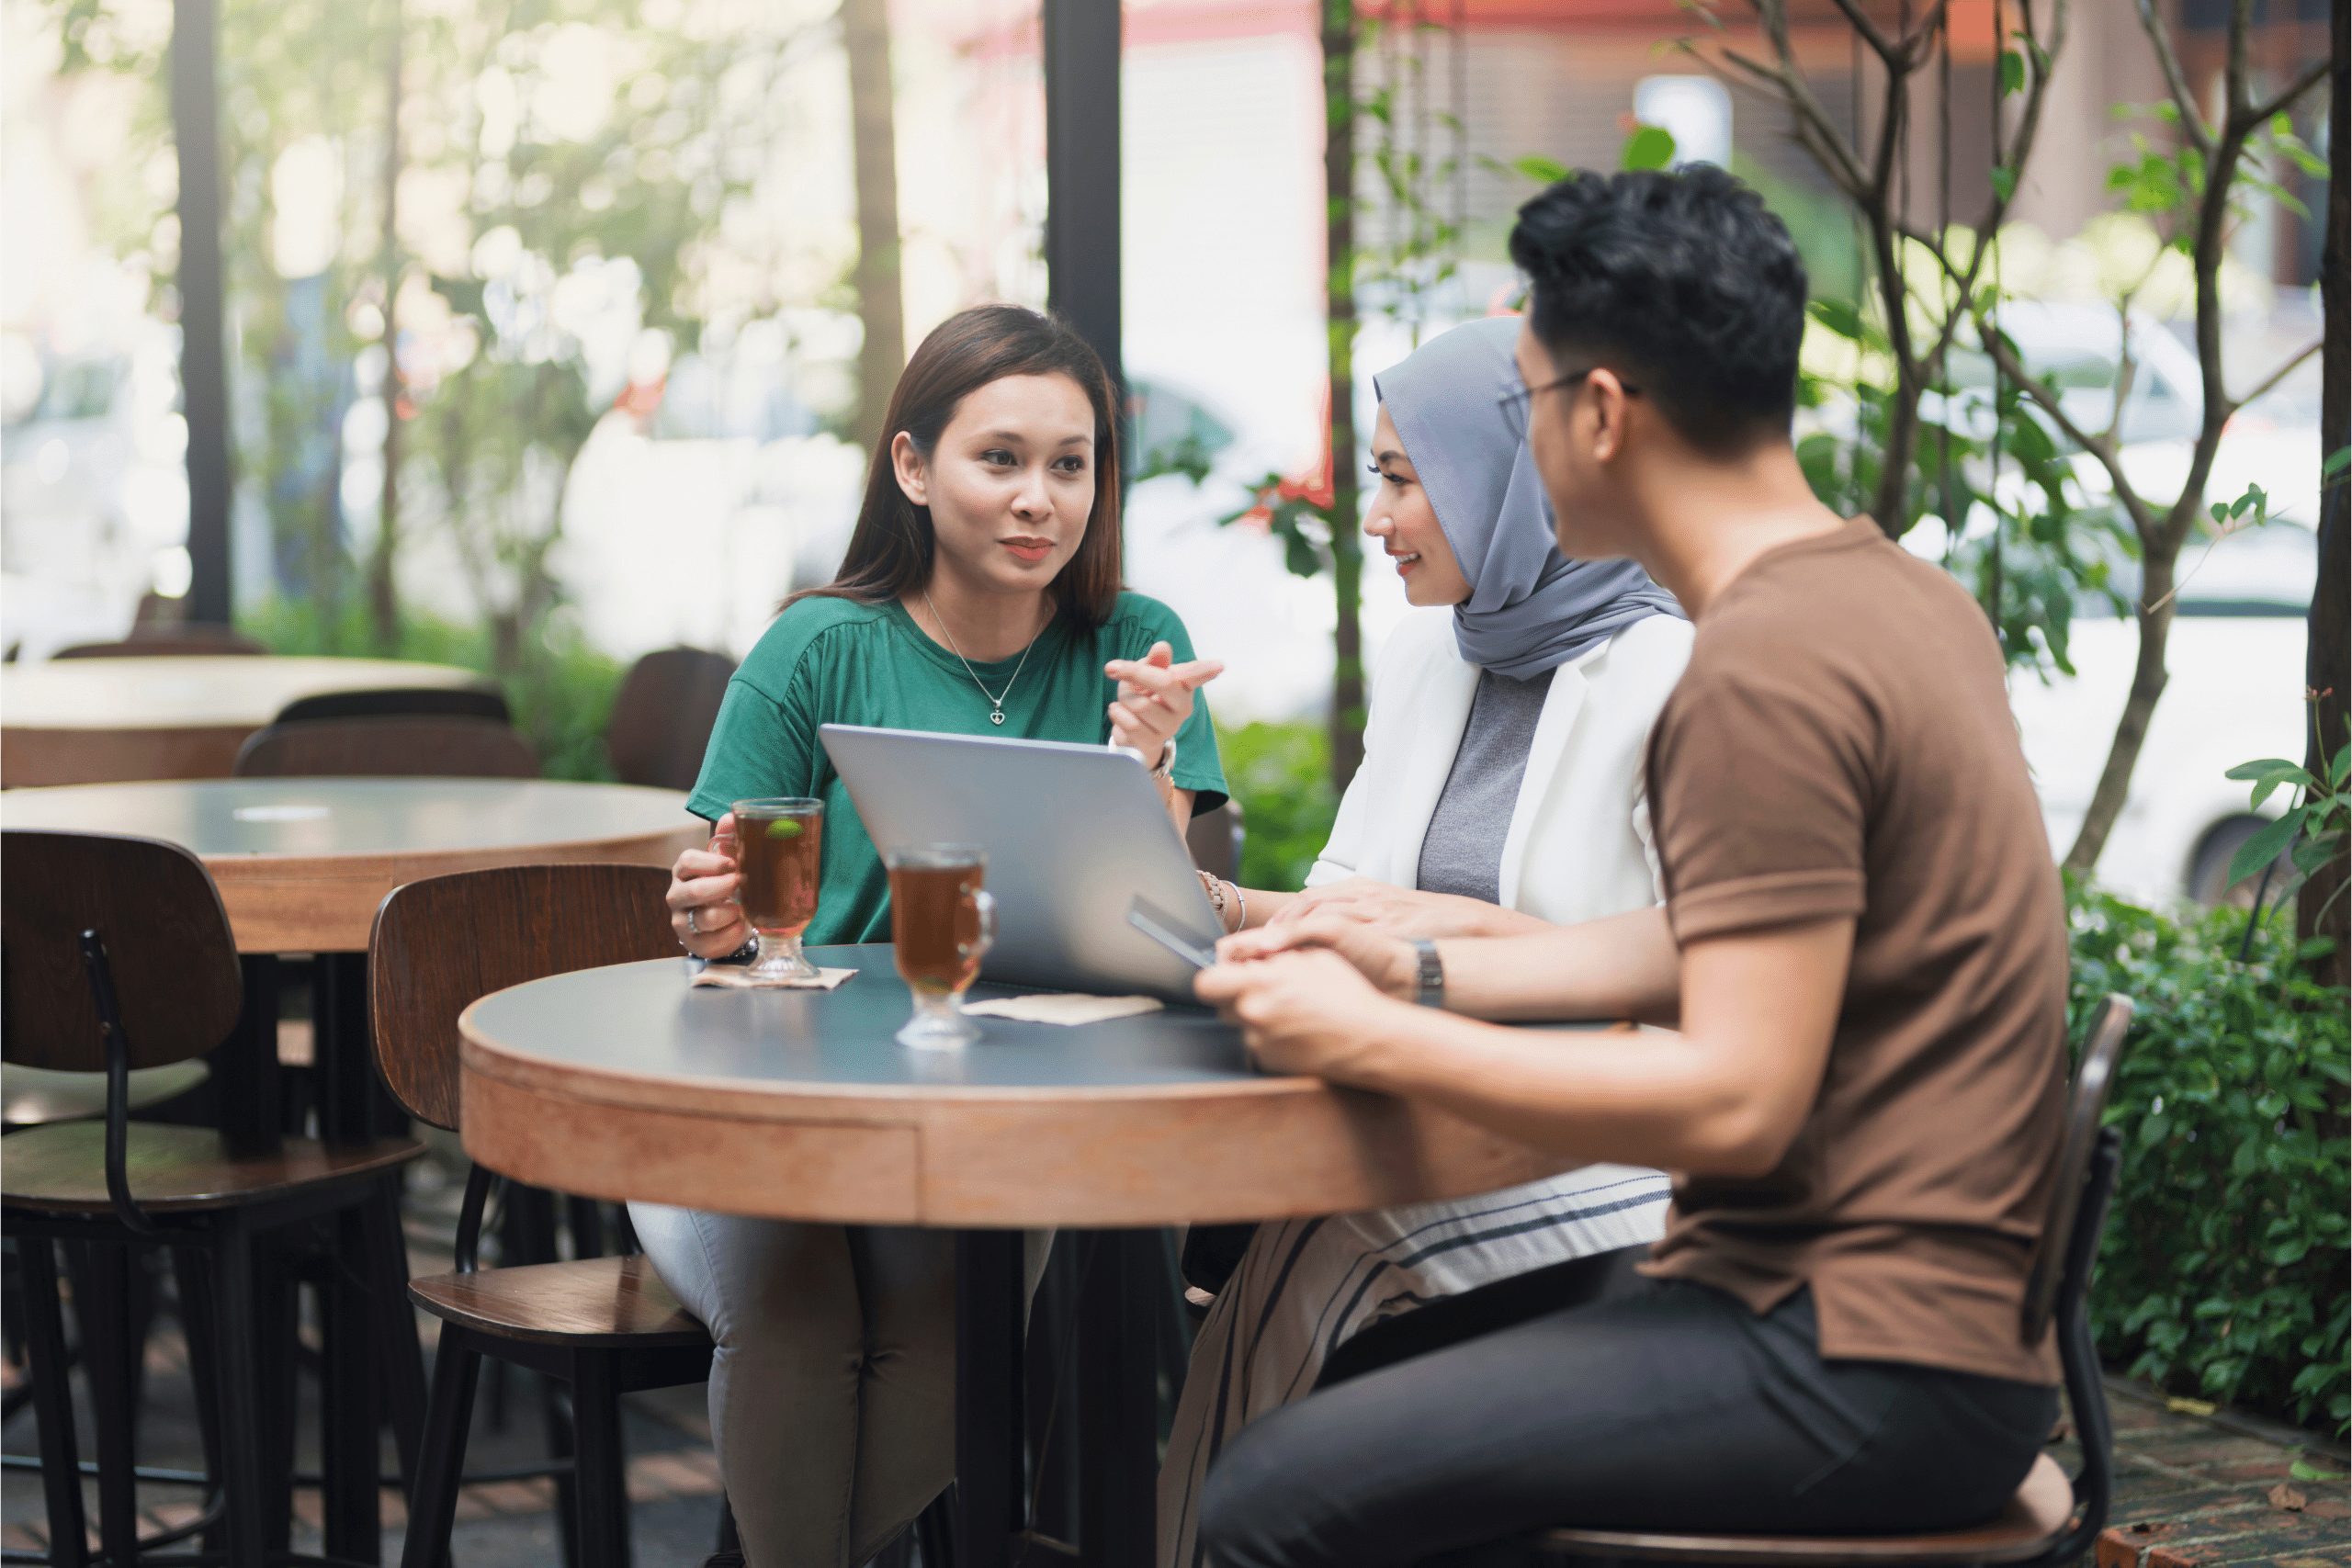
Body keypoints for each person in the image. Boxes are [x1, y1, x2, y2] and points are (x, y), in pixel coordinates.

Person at [1190, 165, 2071, 1567]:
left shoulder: (1757, 671)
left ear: (1601, 413)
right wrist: (1417, 961)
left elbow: (1735, 1095)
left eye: (1532, 402)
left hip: (1847, 1347)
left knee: (1265, 1499)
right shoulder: (1896, 594)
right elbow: (1729, 939)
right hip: (1926, 1327)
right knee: (1347, 1401)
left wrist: (1377, 1036)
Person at [649, 303, 1228, 1568]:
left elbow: (1153, 921)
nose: (1040, 499)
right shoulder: (817, 646)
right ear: (914, 469)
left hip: (981, 1103)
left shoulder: (1134, 647)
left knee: (943, 1333)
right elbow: (716, 894)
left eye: (1070, 464)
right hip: (767, 1096)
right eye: (1000, 458)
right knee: (798, 1320)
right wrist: (711, 918)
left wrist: (1146, 761)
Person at [1159, 315, 1691, 1568]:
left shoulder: (1671, 669)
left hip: (1618, 1145)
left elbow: (1698, 954)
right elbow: (1361, 901)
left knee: (1322, 1240)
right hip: (1431, 1109)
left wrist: (1446, 941)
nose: (1377, 514)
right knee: (1257, 1238)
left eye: (1403, 478)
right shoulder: (1430, 656)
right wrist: (1217, 909)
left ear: (1505, 479)